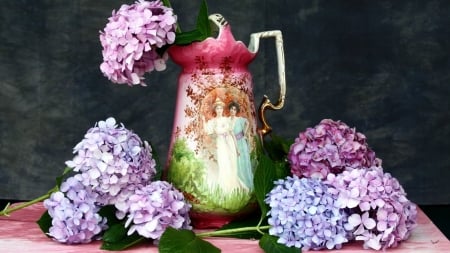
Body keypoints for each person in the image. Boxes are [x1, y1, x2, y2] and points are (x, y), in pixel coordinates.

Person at [203, 98, 243, 193]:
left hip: (229, 142)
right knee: (223, 163)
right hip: (220, 143)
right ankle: (225, 189)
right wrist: (203, 120)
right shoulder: (213, 121)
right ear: (215, 110)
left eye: (221, 108)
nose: (219, 110)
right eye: (217, 108)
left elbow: (232, 134)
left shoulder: (226, 120)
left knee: (231, 163)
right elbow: (208, 131)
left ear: (222, 109)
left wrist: (237, 149)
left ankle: (233, 187)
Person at [228, 101, 253, 190]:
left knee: (243, 162)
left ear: (236, 111)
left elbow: (248, 123)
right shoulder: (227, 120)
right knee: (235, 163)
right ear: (229, 109)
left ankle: (247, 185)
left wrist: (244, 133)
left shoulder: (239, 119)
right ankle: (238, 186)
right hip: (232, 143)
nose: (233, 111)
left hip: (241, 142)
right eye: (231, 109)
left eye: (234, 109)